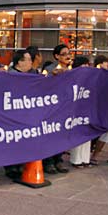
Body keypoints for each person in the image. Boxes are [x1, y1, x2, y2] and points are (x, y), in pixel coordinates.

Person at [42, 44, 71, 174]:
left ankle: (58, 160)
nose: (67, 56)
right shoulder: (50, 69)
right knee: (51, 134)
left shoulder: (73, 69)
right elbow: (42, 84)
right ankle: (48, 162)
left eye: (69, 53)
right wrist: (52, 76)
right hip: (52, 107)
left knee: (62, 135)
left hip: (67, 106)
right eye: (64, 54)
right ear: (57, 56)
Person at [4, 50, 33, 179]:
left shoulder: (32, 75)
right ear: (19, 62)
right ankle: (11, 167)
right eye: (27, 59)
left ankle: (19, 164)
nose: (30, 62)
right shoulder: (11, 76)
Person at [69, 56, 93, 168]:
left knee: (87, 134)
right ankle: (76, 160)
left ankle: (85, 158)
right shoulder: (72, 77)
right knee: (77, 134)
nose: (86, 67)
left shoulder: (90, 79)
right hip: (75, 110)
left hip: (87, 109)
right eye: (84, 65)